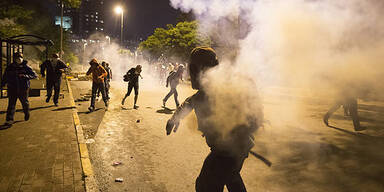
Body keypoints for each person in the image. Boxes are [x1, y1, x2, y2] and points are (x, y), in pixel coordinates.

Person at [165, 47, 259, 192]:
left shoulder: (220, 86)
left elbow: (194, 100)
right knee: (231, 177)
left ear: (201, 68)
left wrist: (174, 118)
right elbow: (193, 100)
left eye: (194, 67)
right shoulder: (220, 83)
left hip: (227, 152)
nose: (192, 73)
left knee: (205, 185)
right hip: (235, 149)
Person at [1, 52, 37, 125]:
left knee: (25, 103)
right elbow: (5, 77)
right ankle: (9, 120)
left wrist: (25, 76)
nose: (19, 59)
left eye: (20, 57)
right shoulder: (10, 67)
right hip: (12, 88)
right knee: (11, 104)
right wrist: (2, 84)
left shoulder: (26, 67)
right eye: (17, 57)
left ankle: (26, 112)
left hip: (23, 88)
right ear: (14, 59)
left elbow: (34, 75)